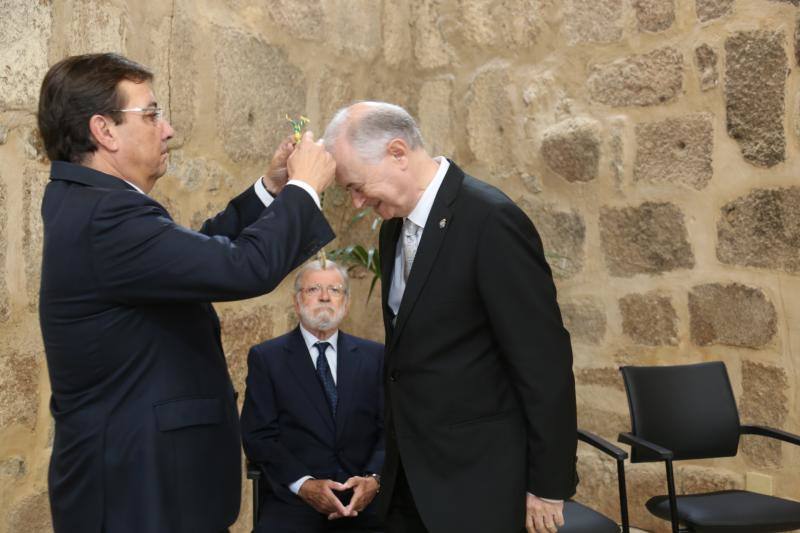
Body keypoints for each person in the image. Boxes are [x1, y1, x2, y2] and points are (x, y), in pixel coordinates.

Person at [37, 52, 336, 533]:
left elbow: (196, 256)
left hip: (147, 481)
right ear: (104, 131)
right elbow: (242, 267)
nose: (168, 129)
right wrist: (305, 187)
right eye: (152, 114)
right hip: (137, 491)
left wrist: (273, 190)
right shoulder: (107, 217)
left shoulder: (98, 205)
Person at [322, 102, 578, 533]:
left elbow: (543, 362)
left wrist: (548, 484)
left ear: (398, 152)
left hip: (477, 479)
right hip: (411, 475)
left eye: (358, 186)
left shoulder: (491, 220)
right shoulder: (392, 229)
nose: (358, 202)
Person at [241, 259, 384, 533]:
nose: (324, 297)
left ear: (347, 303)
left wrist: (373, 479)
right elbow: (258, 436)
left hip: (363, 504)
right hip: (294, 503)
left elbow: (390, 430)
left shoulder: (375, 357)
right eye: (314, 289)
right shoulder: (267, 358)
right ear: (297, 303)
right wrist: (304, 484)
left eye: (335, 290)